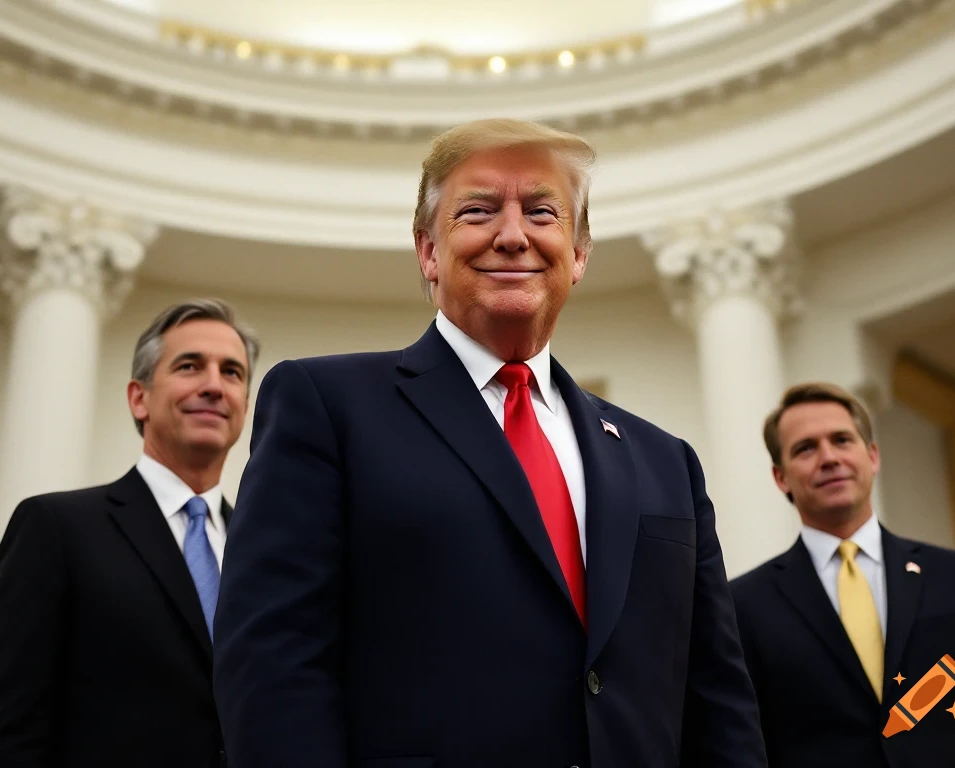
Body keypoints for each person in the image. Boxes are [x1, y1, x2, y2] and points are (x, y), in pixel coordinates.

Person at [213, 118, 767, 768]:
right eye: (477, 212)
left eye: (541, 211)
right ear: (427, 251)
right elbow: (272, 663)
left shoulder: (665, 461)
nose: (512, 235)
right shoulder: (326, 406)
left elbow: (718, 700)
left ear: (579, 252)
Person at [0, 298, 259, 768]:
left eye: (232, 373)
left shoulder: (264, 551)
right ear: (138, 397)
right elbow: (6, 729)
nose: (213, 385)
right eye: (189, 366)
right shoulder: (56, 529)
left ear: (244, 407)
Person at [730, 382, 955, 768]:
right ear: (780, 477)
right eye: (805, 448)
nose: (828, 458)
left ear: (872, 455)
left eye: (841, 440)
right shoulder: (742, 606)